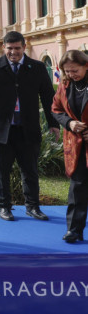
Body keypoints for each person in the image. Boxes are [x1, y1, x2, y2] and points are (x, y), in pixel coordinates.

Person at [0, 31, 58, 221]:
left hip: (28, 130)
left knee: (30, 170)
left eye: (17, 48)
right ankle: (4, 207)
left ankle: (33, 207)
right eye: (9, 48)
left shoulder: (36, 68)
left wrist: (53, 124)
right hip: (1, 131)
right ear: (3, 48)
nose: (13, 52)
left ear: (24, 47)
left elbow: (48, 97)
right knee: (1, 171)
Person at [51, 50, 88, 243]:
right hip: (76, 145)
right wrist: (69, 123)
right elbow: (56, 109)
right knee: (77, 188)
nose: (71, 74)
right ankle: (74, 230)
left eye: (75, 70)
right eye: (67, 71)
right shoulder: (65, 85)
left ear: (86, 65)